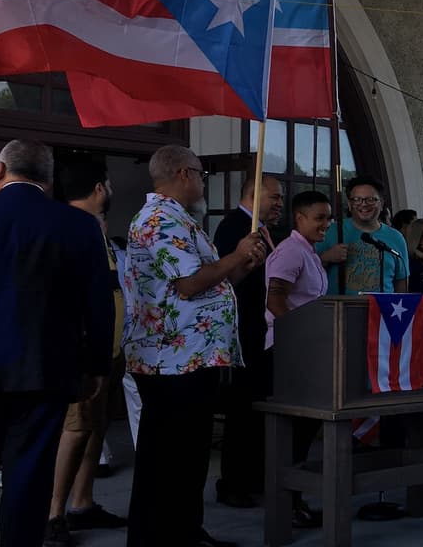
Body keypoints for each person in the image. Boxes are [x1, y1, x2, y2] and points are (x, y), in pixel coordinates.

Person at [0, 140, 114, 547]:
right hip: (43, 371)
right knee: (28, 478)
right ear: (48, 181)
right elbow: (98, 304)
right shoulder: (79, 225)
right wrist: (97, 365)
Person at [123, 145, 265, 547]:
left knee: (188, 456)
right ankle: (159, 535)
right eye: (201, 174)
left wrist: (241, 266)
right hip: (170, 360)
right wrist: (234, 255)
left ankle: (184, 530)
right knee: (169, 457)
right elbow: (188, 284)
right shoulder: (159, 218)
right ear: (184, 173)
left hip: (191, 356)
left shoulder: (181, 219)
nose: (204, 182)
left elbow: (207, 287)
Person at [45, 158, 128, 545]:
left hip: (107, 351)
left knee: (95, 429)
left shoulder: (96, 231)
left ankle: (82, 502)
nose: (110, 191)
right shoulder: (67, 230)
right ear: (99, 188)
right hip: (82, 354)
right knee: (75, 430)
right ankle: (54, 513)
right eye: (108, 185)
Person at [211, 176, 284, 509]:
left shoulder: (264, 230)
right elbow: (226, 277)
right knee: (242, 410)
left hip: (262, 331)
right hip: (243, 330)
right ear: (253, 195)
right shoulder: (234, 227)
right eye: (274, 197)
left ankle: (254, 475)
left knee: (257, 408)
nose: (279, 203)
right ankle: (233, 482)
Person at [264, 190, 332, 529]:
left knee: (305, 432)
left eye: (329, 217)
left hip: (308, 347)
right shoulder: (290, 251)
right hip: (290, 349)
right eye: (319, 217)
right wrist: (297, 338)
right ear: (299, 218)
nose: (326, 224)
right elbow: (274, 297)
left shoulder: (309, 252)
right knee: (295, 432)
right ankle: (287, 503)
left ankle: (294, 501)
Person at [316, 176, 409, 294]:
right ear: (349, 204)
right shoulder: (330, 231)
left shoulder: (396, 238)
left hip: (381, 310)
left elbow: (401, 282)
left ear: (381, 203)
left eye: (370, 199)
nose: (363, 204)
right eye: (356, 199)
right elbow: (306, 273)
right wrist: (325, 258)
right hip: (339, 310)